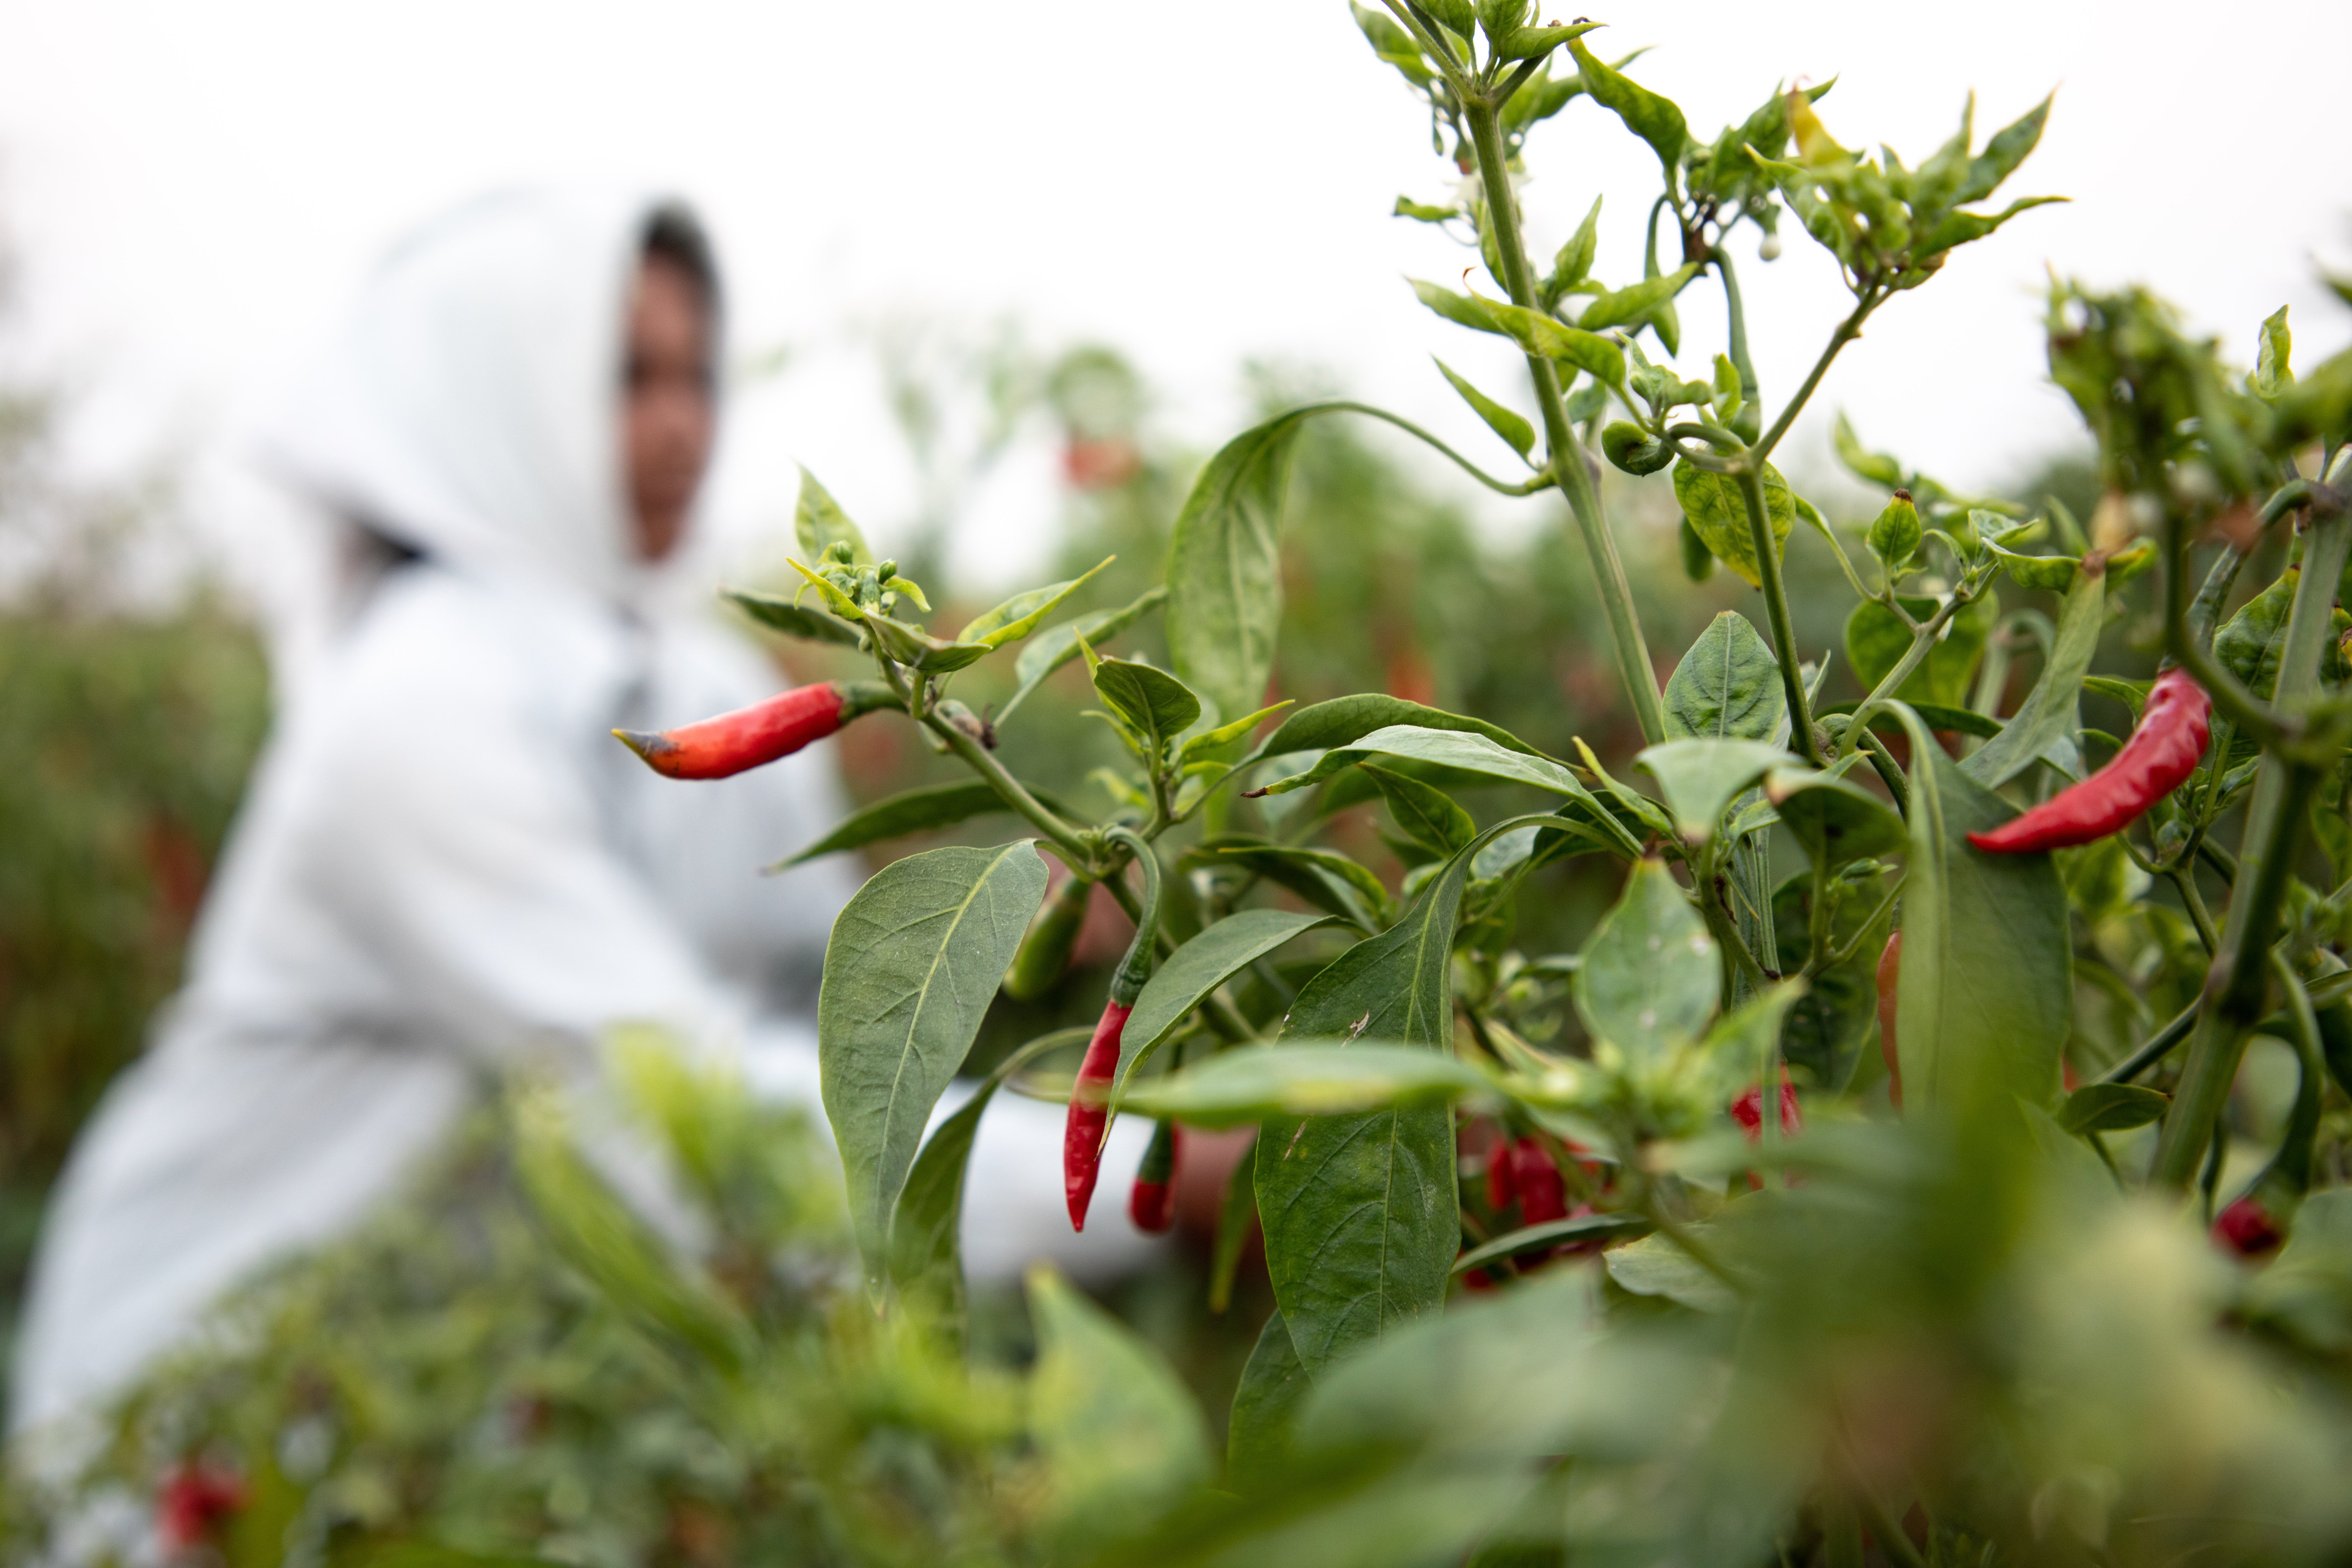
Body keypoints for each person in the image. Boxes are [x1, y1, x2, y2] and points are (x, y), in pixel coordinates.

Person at [7, 189, 1160, 1444]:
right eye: (628, 377)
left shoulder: (693, 669)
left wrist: (1029, 926)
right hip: (203, 1396)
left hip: (455, 1394)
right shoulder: (415, 706)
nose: (682, 426)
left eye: (699, 376)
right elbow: (673, 1107)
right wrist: (1145, 1169)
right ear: (492, 397)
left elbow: (818, 1010)